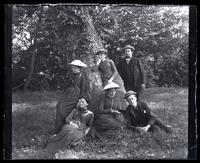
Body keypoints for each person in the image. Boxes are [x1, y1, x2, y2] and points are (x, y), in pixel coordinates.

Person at [54, 60, 90, 134]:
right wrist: (64, 92)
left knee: (62, 109)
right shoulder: (73, 76)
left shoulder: (83, 77)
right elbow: (68, 85)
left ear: (79, 68)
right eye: (72, 67)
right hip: (67, 96)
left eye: (75, 68)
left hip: (75, 97)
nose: (73, 69)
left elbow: (83, 90)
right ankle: (59, 129)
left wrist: (80, 100)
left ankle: (66, 128)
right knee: (59, 107)